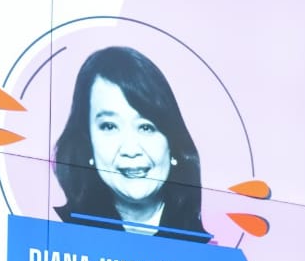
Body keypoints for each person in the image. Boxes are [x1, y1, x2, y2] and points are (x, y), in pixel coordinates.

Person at [52, 45, 207, 242]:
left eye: (146, 127)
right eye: (109, 126)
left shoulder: (206, 248)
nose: (131, 150)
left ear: (172, 143)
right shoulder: (61, 235)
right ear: (87, 140)